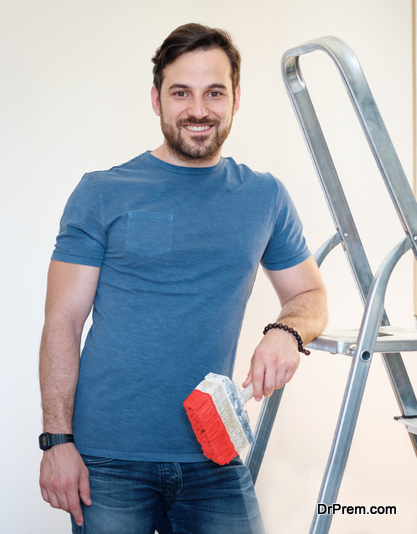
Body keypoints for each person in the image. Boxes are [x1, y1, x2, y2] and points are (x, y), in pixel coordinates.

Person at [38, 23, 328, 533]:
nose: (199, 110)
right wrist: (57, 443)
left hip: (215, 457)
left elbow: (309, 294)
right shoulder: (103, 191)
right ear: (157, 100)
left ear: (236, 98)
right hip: (107, 460)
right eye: (181, 93)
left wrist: (286, 332)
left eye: (214, 92)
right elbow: (62, 321)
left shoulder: (264, 197)